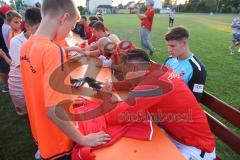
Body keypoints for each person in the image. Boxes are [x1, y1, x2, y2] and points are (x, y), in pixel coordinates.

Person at [72, 48, 216, 160]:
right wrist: (106, 86)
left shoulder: (153, 86)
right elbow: (130, 83)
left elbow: (114, 117)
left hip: (196, 148)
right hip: (176, 135)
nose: (123, 75)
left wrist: (106, 95)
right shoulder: (158, 70)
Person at [20, 0, 111, 159]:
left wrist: (68, 49)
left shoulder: (27, 45)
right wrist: (83, 139)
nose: (69, 33)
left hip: (41, 132)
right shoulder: (53, 51)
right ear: (63, 18)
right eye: (70, 28)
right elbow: (54, 110)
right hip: (58, 139)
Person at [164, 26, 207, 101]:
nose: (169, 49)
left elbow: (195, 100)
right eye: (168, 45)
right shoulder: (169, 60)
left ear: (184, 43)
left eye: (172, 46)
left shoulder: (197, 69)